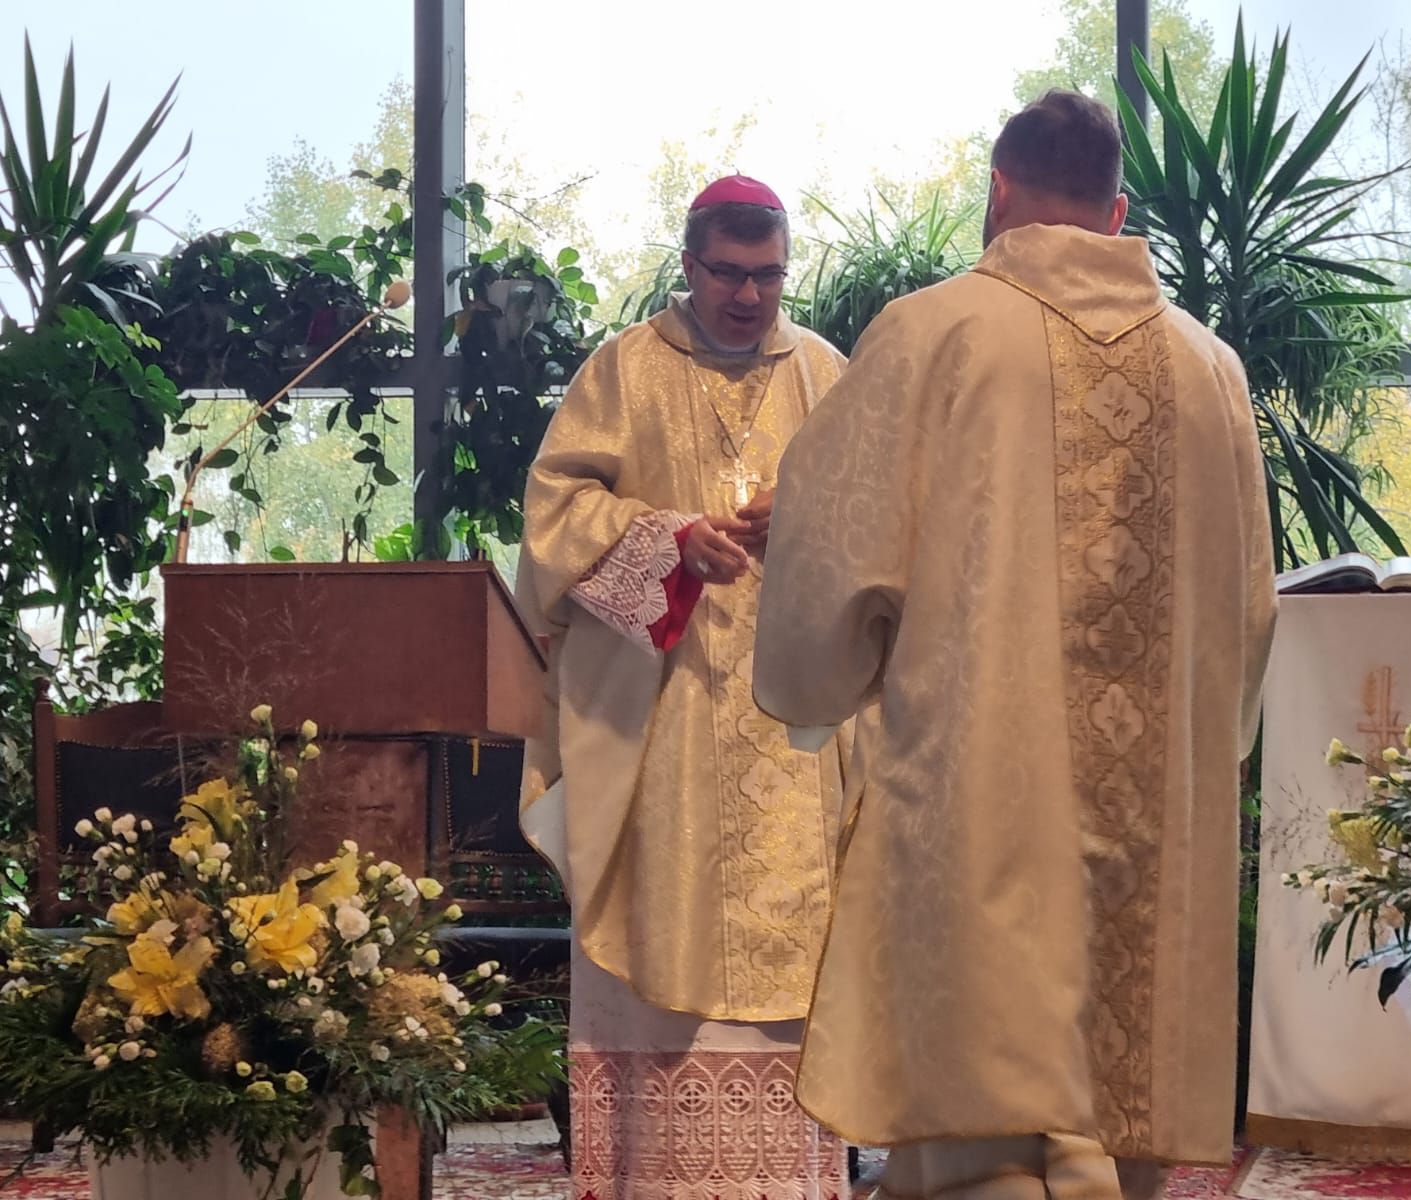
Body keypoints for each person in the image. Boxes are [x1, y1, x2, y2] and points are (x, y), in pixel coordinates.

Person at [752, 91, 1278, 1199]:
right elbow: (1248, 616)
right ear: (1118, 210)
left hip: (978, 799)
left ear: (997, 192)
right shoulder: (1211, 369)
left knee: (975, 1145)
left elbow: (833, 558)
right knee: (1117, 1131)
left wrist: (822, 684)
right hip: (1153, 826)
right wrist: (1200, 743)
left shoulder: (931, 335)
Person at [515, 176, 850, 1200]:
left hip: (796, 732)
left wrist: (810, 520)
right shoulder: (624, 370)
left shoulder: (826, 373)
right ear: (689, 264)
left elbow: (887, 524)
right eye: (728, 274)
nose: (749, 297)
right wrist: (671, 545)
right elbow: (553, 518)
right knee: (659, 935)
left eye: (769, 276)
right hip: (665, 725)